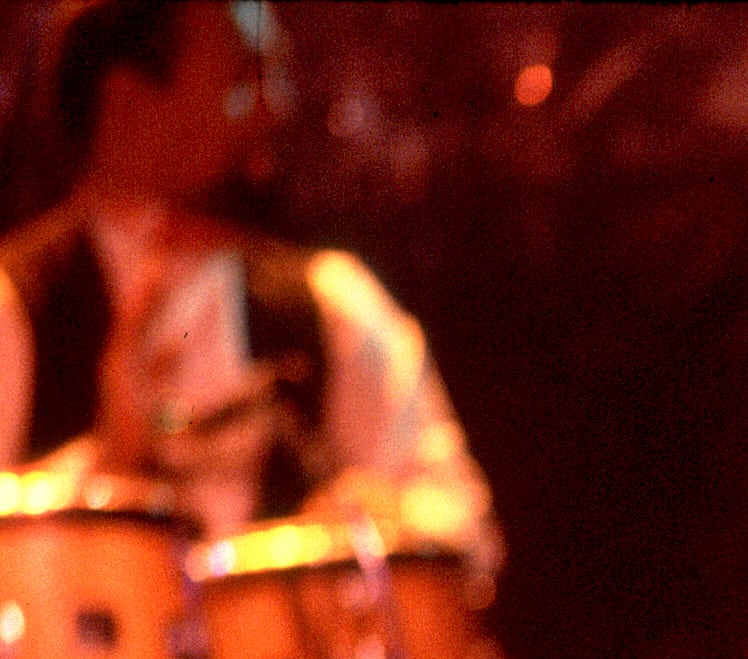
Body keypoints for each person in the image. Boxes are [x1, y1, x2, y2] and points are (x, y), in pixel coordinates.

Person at [0, 0, 498, 579]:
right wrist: (110, 461)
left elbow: (467, 532)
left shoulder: (328, 301)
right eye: (245, 82)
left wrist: (383, 525)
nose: (275, 111)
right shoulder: (14, 306)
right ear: (127, 106)